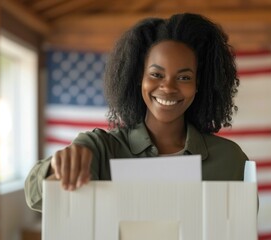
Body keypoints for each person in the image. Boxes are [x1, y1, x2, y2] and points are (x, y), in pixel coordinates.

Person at [25, 12, 249, 212]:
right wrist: (58, 165)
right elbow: (35, 197)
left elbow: (242, 229)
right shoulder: (100, 149)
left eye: (184, 77)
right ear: (138, 78)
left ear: (199, 84)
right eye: (156, 74)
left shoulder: (230, 160)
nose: (168, 87)